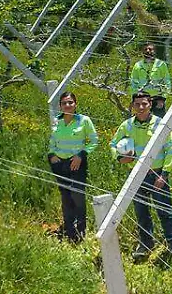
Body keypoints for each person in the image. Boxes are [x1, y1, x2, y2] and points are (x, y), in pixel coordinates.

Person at [111, 91, 172, 260]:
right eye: (137, 104)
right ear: (132, 106)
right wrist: (120, 157)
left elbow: (170, 150)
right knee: (141, 211)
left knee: (165, 210)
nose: (141, 107)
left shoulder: (161, 124)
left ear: (150, 104)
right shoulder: (127, 125)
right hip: (136, 174)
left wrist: (164, 174)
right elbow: (113, 144)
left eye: (144, 104)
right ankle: (145, 244)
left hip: (158, 175)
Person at [47, 91, 98, 243]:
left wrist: (81, 155)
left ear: (75, 104)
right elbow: (52, 142)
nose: (67, 105)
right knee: (65, 196)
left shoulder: (84, 120)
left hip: (77, 164)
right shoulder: (56, 121)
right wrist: (51, 156)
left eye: (70, 102)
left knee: (77, 196)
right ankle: (69, 232)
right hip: (59, 164)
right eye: (64, 103)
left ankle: (80, 232)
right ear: (60, 106)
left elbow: (93, 141)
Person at [129, 43, 172, 118]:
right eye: (145, 49)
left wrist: (163, 99)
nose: (148, 51)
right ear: (142, 51)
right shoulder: (138, 65)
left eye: (150, 49)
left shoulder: (161, 64)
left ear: (154, 51)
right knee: (143, 121)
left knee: (158, 123)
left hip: (157, 99)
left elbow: (167, 82)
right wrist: (134, 100)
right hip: (142, 99)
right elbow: (133, 83)